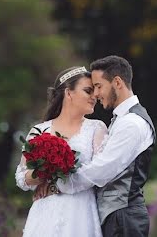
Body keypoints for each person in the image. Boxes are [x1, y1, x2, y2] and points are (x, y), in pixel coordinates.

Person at [37, 55, 156, 237]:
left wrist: (57, 185)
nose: (96, 94)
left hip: (123, 217)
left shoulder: (132, 123)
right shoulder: (123, 119)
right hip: (117, 216)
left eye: (99, 86)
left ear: (117, 82)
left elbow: (101, 170)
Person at [15, 65, 108, 237]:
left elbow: (99, 174)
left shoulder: (97, 128)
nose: (94, 96)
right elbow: (21, 177)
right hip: (44, 213)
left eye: (95, 91)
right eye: (88, 91)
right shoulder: (39, 130)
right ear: (69, 93)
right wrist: (42, 174)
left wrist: (55, 183)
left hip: (80, 213)